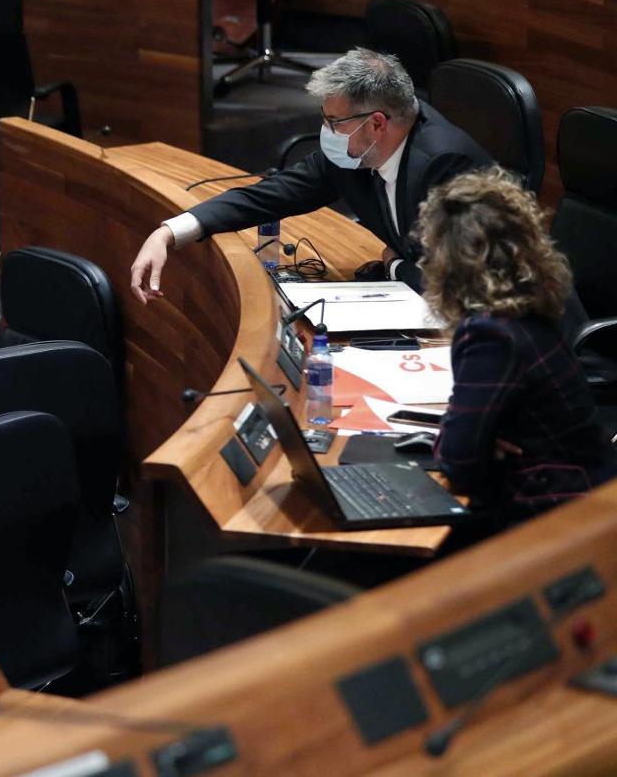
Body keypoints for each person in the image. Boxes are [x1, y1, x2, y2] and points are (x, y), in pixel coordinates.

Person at [130, 48, 492, 302]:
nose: (326, 131)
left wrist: (394, 264)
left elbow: (457, 287)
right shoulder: (359, 152)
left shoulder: (445, 165)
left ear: (377, 123)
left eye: (334, 122)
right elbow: (272, 193)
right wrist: (170, 232)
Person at [418, 167, 617, 524]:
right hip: (588, 492)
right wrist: (483, 438)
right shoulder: (529, 304)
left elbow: (458, 460)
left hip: (551, 511)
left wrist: (474, 441)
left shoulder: (490, 335)